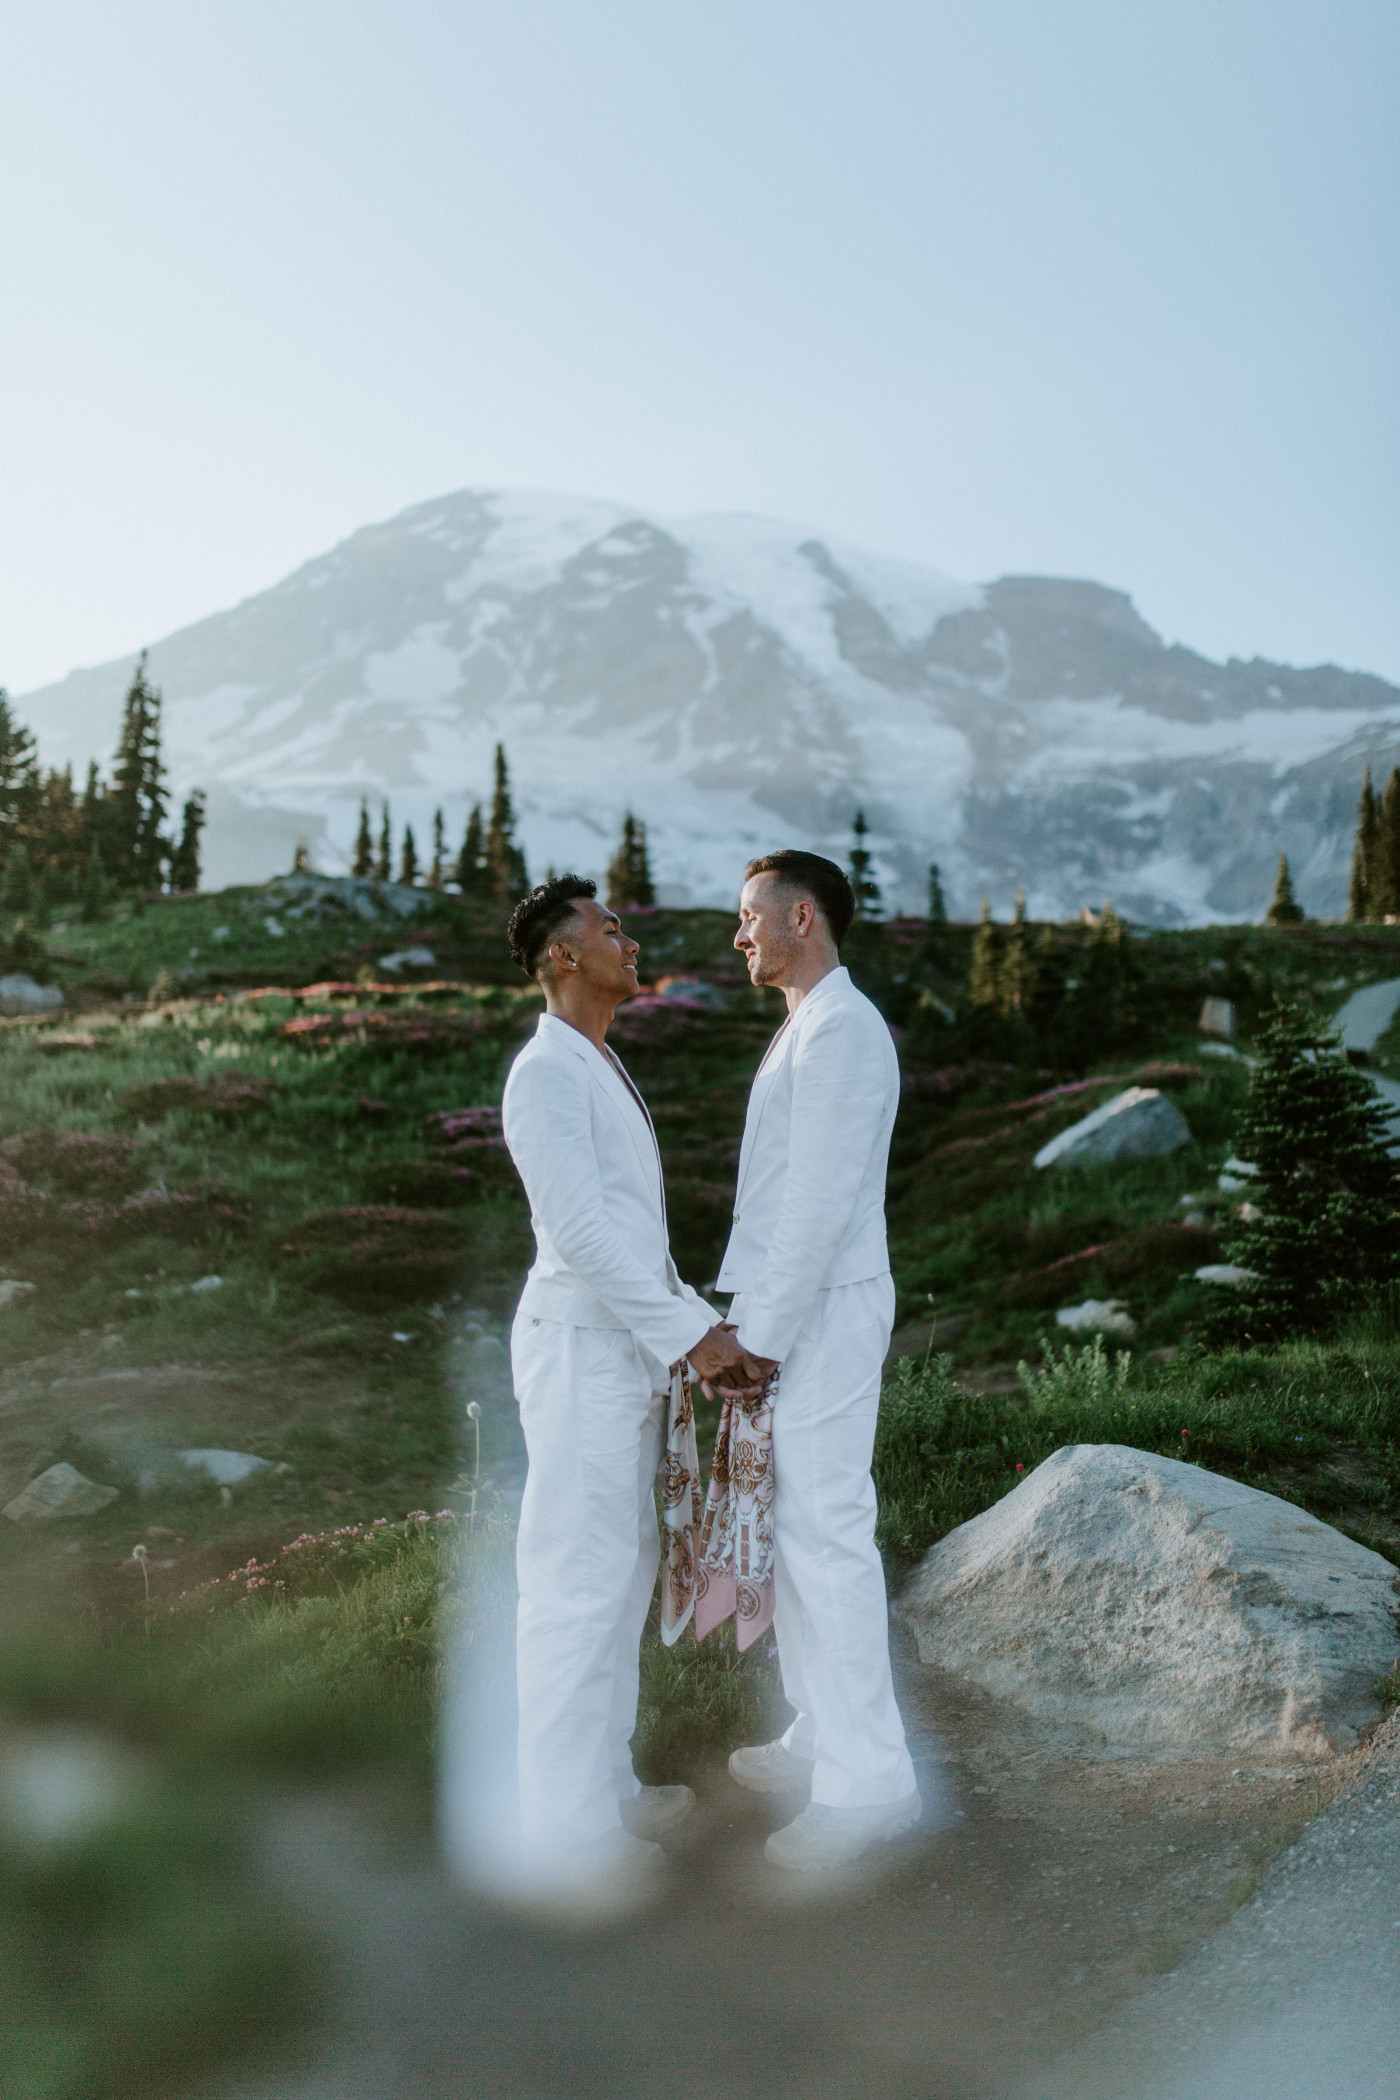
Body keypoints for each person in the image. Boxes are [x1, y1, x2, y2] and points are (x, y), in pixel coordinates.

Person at [499, 874, 765, 1900]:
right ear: (561, 955)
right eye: (609, 931)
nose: (629, 942)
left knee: (617, 1573)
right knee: (574, 1583)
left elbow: (634, 1240)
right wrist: (693, 1338)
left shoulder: (597, 1063)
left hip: (624, 1351)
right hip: (577, 1349)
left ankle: (599, 1790)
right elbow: (578, 1236)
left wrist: (703, 1324)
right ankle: (561, 1836)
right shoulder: (544, 1073)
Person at [718, 850, 921, 1872]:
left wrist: (755, 1337)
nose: (738, 935)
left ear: (803, 915)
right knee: (794, 1528)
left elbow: (817, 1205)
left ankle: (869, 1785)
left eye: (749, 916)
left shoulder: (839, 1030)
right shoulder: (811, 1025)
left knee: (826, 1533)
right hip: (797, 1306)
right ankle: (818, 1728)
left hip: (823, 1310)